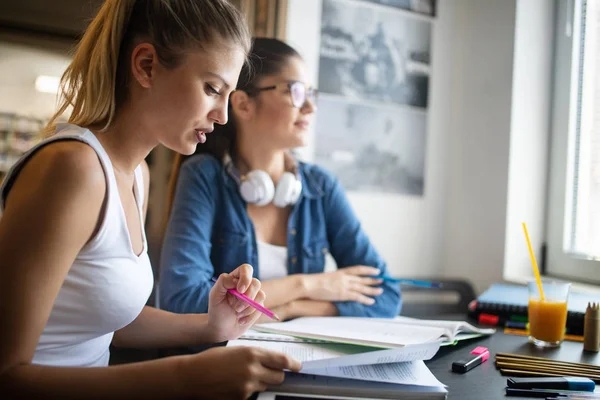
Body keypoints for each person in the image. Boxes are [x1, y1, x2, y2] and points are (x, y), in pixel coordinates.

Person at [0, 1, 301, 399]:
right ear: (146, 66)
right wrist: (187, 376)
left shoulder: (136, 176)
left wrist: (211, 327)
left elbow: (102, 320)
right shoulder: (72, 170)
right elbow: (7, 374)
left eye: (229, 95)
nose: (223, 116)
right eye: (212, 88)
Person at [160, 38, 402, 322]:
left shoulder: (321, 187)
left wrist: (293, 308)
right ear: (243, 104)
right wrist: (307, 285)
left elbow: (386, 295)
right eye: (295, 91)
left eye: (312, 94)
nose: (310, 107)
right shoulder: (204, 177)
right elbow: (180, 301)